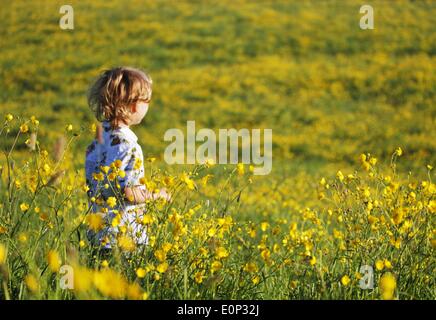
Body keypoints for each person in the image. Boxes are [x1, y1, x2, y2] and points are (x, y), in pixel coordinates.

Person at [85, 66, 169, 250]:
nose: (148, 105)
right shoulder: (129, 146)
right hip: (125, 238)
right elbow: (129, 193)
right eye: (146, 101)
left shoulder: (96, 142)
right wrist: (158, 196)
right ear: (133, 105)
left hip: (97, 235)